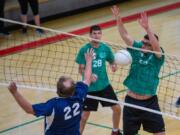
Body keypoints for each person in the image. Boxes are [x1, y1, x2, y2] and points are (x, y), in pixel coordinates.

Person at [8, 49, 94, 135]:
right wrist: (89, 61)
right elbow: (87, 79)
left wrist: (14, 92)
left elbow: (29, 109)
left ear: (57, 91)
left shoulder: (53, 105)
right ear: (74, 90)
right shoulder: (79, 95)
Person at [111, 5, 165, 135]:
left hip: (150, 103)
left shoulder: (158, 56)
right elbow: (125, 35)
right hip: (131, 103)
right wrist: (118, 19)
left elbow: (156, 48)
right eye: (143, 42)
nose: (144, 45)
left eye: (147, 44)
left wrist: (147, 28)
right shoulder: (137, 49)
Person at [76, 25, 122, 135]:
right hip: (89, 88)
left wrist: (113, 65)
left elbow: (112, 61)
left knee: (117, 109)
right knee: (84, 116)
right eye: (94, 33)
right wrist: (89, 76)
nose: (97, 36)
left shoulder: (105, 48)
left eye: (99, 33)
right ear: (90, 35)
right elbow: (81, 69)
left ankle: (115, 131)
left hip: (104, 86)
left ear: (101, 34)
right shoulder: (84, 49)